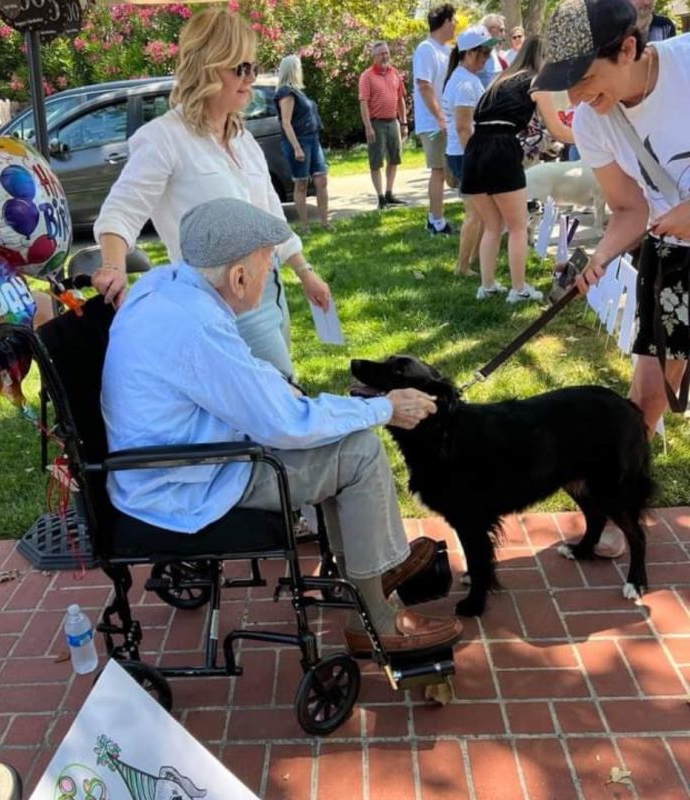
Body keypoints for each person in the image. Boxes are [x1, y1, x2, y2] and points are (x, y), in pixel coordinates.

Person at [101, 197, 464, 655]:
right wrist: (385, 407)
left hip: (163, 470)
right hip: (187, 486)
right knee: (360, 452)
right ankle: (375, 616)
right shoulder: (197, 326)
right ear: (238, 277)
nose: (274, 271)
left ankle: (367, 571)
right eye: (269, 262)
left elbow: (239, 380)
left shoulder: (167, 285)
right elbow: (286, 425)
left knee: (341, 439)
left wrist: (278, 387)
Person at [91, 8, 331, 380]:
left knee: (271, 406)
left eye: (253, 67)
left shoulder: (243, 139)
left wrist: (305, 272)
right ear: (206, 66)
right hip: (219, 306)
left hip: (271, 291)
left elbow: (271, 219)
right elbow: (120, 212)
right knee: (281, 405)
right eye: (241, 68)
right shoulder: (163, 138)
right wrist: (112, 267)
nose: (251, 78)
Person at [535, 0, 690, 555]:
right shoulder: (596, 120)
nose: (575, 98)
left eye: (583, 79)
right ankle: (616, 510)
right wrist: (597, 258)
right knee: (647, 392)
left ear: (628, 48)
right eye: (564, 85)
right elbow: (629, 209)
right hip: (673, 262)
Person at [463, 35, 575, 303]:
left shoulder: (497, 82)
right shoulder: (538, 83)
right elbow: (557, 129)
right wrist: (590, 137)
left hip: (475, 150)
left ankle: (487, 285)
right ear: (545, 57)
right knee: (517, 226)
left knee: (492, 226)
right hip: (502, 149)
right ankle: (519, 288)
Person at [442, 26, 495, 277]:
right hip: (466, 154)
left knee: (483, 212)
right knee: (475, 213)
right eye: (485, 52)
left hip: (465, 153)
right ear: (471, 53)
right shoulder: (464, 83)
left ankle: (473, 261)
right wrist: (477, 159)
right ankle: (462, 267)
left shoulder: (466, 79)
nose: (488, 58)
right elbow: (464, 127)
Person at [413, 4, 457, 234]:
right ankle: (436, 221)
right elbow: (424, 85)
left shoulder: (447, 50)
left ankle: (436, 217)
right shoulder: (426, 49)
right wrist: (441, 117)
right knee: (438, 170)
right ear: (446, 22)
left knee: (446, 171)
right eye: (455, 20)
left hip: (446, 120)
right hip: (432, 122)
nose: (456, 25)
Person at [275, 54, 329, 232]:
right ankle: (305, 226)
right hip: (299, 142)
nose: (301, 70)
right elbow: (286, 122)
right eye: (299, 67)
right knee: (301, 183)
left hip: (312, 139)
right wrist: (297, 147)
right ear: (293, 70)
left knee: (321, 180)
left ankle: (325, 222)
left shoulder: (299, 91)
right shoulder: (286, 93)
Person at [359, 41, 409, 209]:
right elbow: (364, 103)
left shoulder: (395, 73)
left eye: (387, 53)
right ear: (374, 57)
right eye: (381, 54)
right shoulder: (367, 76)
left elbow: (401, 99)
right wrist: (368, 126)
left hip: (393, 121)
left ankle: (389, 193)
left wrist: (403, 122)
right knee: (376, 162)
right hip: (376, 123)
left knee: (394, 158)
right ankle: (380, 198)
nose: (385, 56)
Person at [477, 14, 508, 88]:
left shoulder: (493, 52)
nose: (503, 34)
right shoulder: (475, 53)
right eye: (501, 30)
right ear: (490, 30)